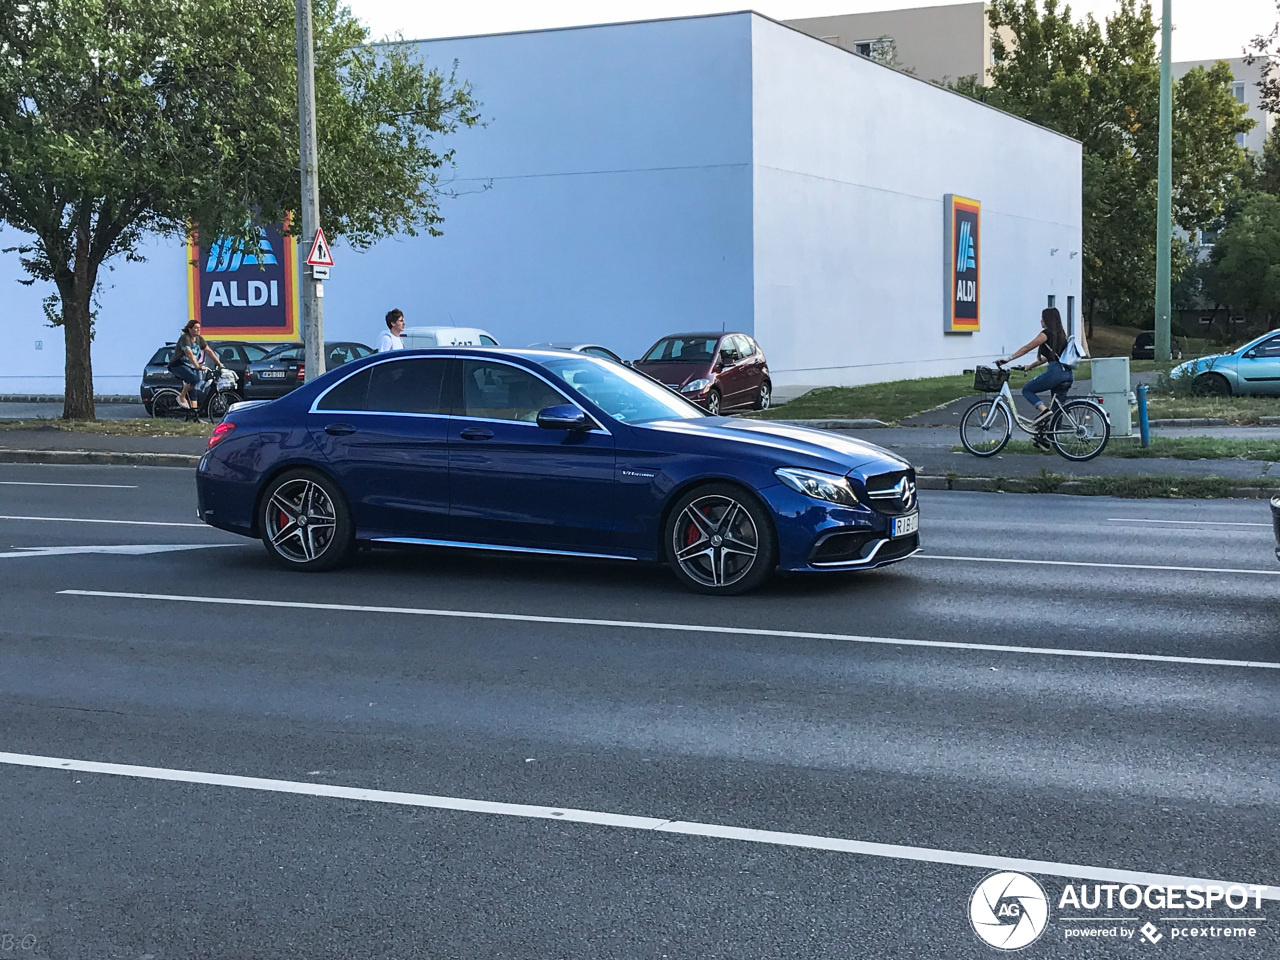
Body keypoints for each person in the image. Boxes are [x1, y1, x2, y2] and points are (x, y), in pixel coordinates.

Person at [997, 307, 1072, 445]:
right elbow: (1049, 357)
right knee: (1056, 411)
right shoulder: (1061, 335)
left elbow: (1028, 347)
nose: (1040, 321)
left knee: (1027, 389)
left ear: (1048, 319)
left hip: (1056, 372)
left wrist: (1009, 359)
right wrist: (1030, 366)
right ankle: (1048, 440)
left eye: (1042, 318)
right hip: (1067, 374)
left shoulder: (1046, 334)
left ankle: (1043, 411)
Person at [169, 319, 222, 409]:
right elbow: (188, 353)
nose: (198, 330)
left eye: (199, 328)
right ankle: (181, 397)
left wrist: (219, 363)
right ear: (189, 329)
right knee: (194, 379)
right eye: (196, 328)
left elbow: (209, 351)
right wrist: (197, 365)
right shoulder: (185, 338)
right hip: (178, 364)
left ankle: (195, 416)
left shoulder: (199, 339)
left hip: (190, 366)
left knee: (193, 392)